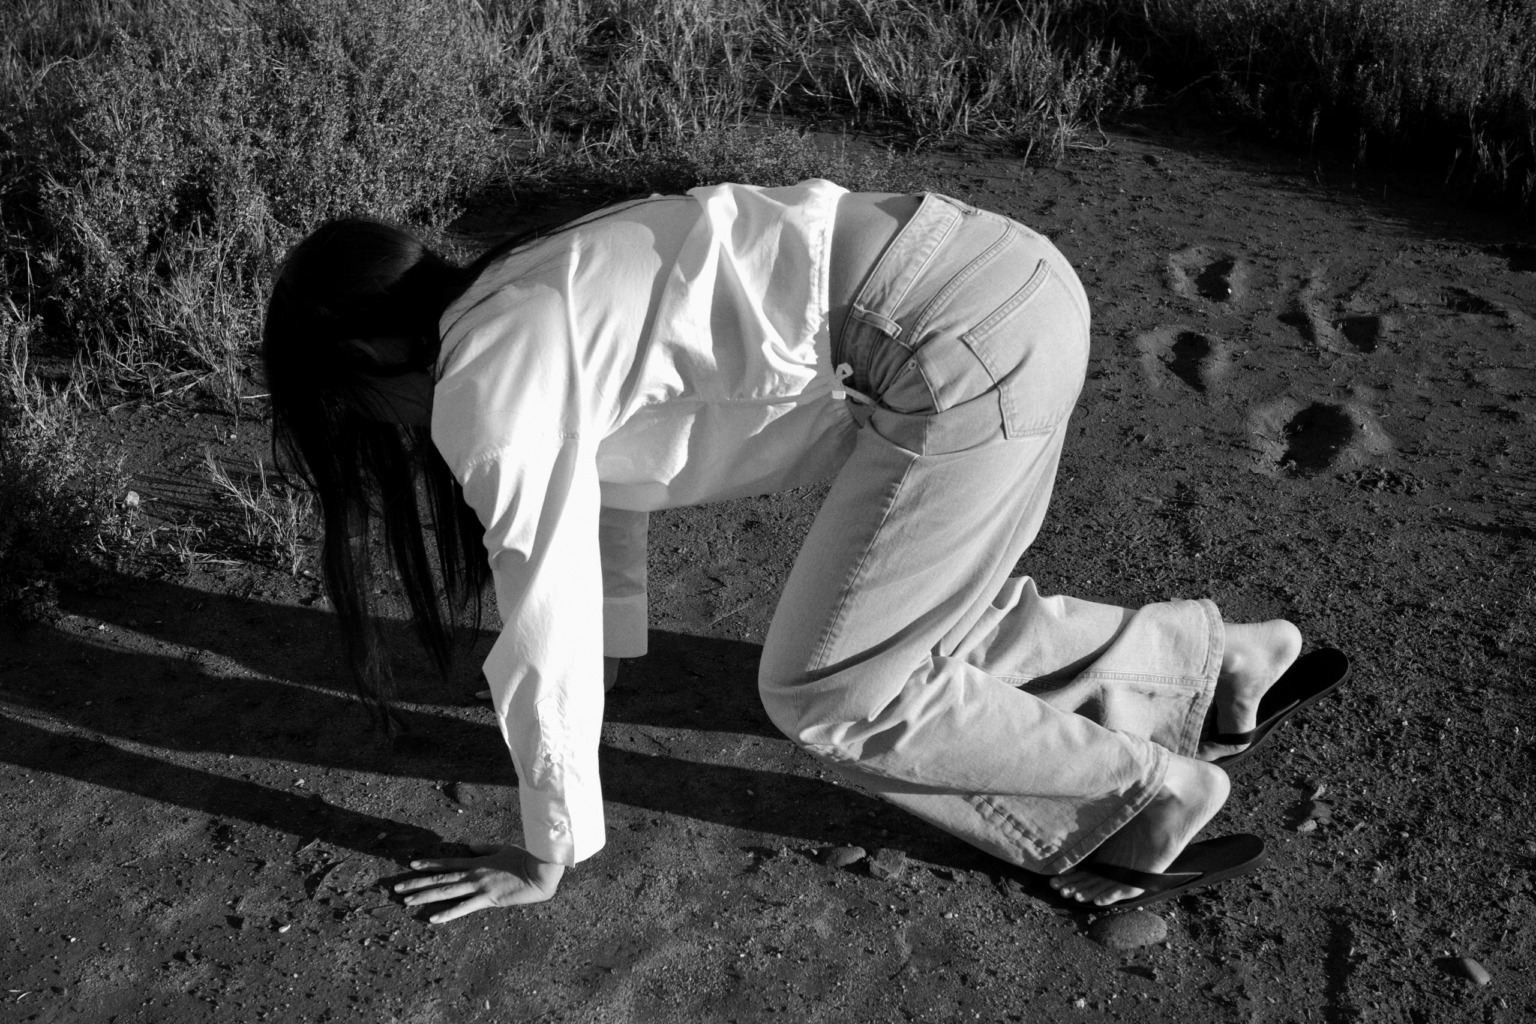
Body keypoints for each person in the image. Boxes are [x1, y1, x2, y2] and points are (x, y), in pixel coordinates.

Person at [263, 180, 1349, 922]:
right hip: (1002, 272)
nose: (372, 430)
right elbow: (597, 493)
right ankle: (1219, 668)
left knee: (829, 687)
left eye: (344, 404)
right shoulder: (520, 287)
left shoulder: (484, 381)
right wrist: (610, 660)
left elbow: (540, 610)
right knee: (910, 618)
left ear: (363, 353)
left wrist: (548, 846)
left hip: (944, 342)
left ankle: (1146, 801)